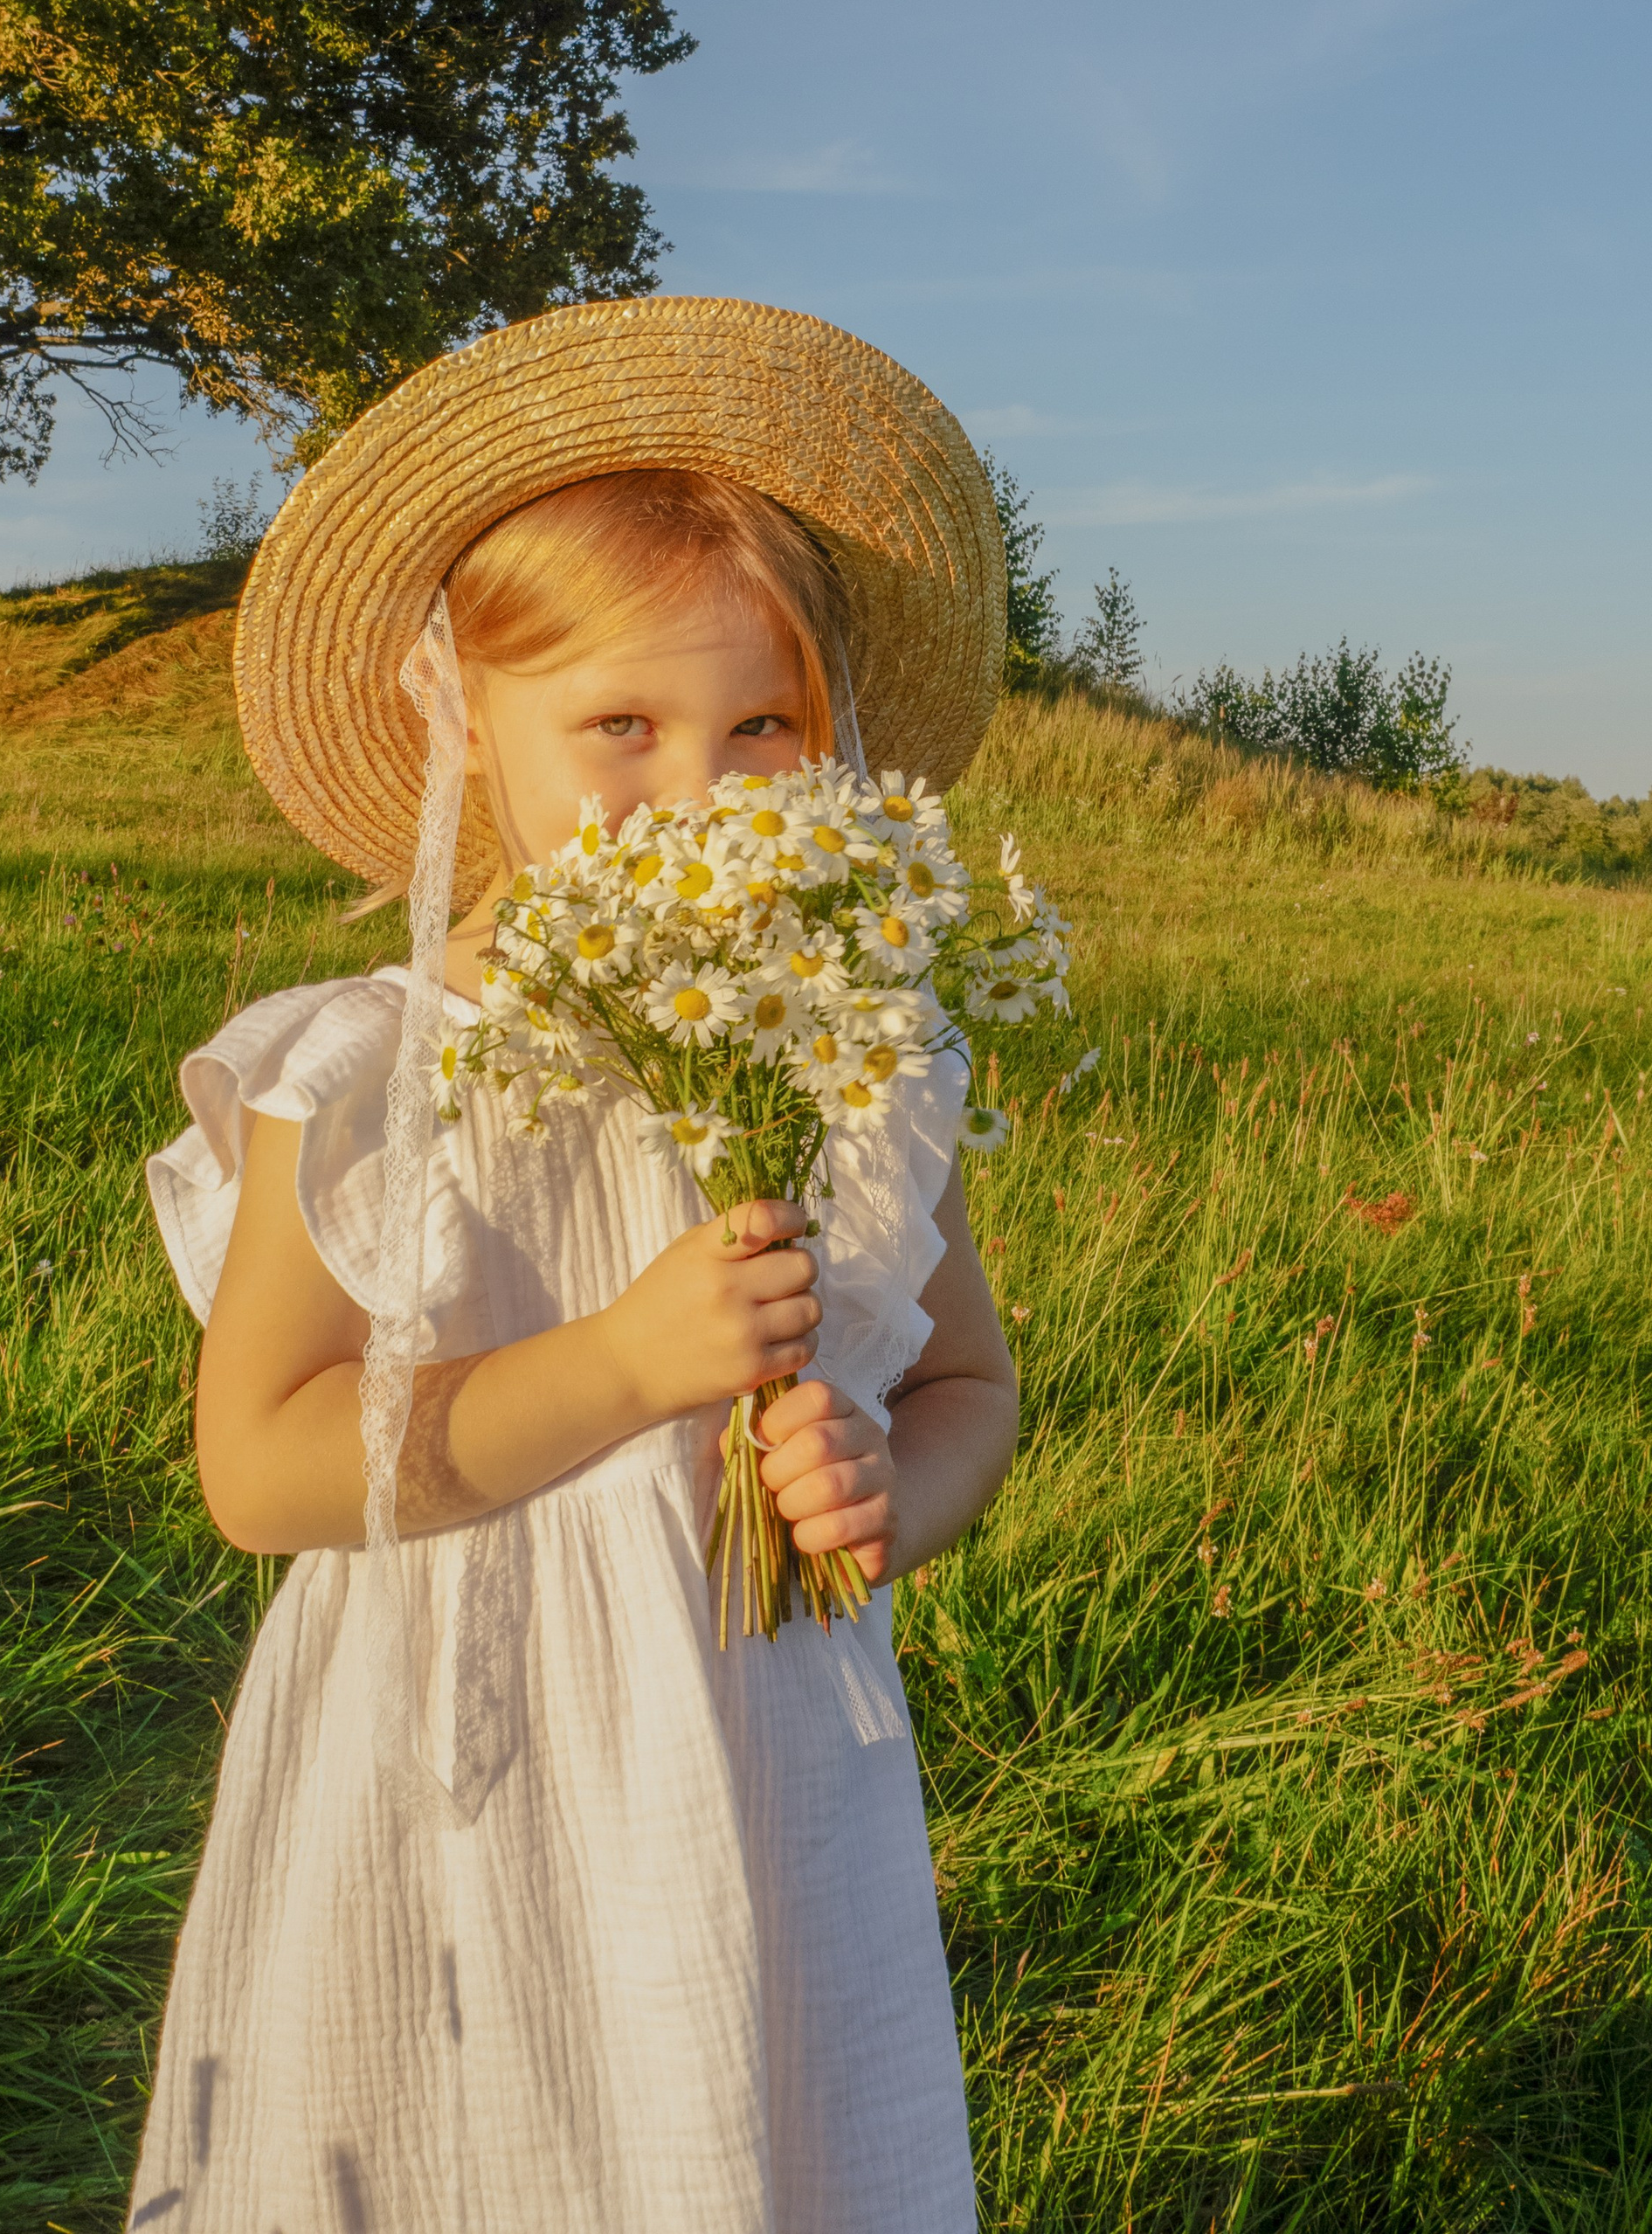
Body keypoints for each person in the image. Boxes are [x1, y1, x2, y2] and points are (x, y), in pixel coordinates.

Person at [132, 296, 1020, 2234]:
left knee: (752, 2132)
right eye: (620, 725)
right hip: (455, 1764)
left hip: (762, 1744)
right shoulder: (364, 1070)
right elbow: (261, 1466)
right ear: (460, 718)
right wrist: (622, 1365)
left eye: (761, 725)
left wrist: (889, 1485)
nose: (696, 791)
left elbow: (968, 1383)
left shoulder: (853, 1049)